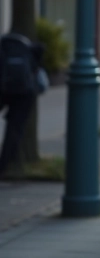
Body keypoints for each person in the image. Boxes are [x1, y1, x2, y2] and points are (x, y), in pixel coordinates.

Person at [0, 33, 44, 177]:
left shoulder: (4, 45)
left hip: (3, 88)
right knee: (14, 129)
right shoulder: (26, 45)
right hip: (25, 91)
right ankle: (4, 165)